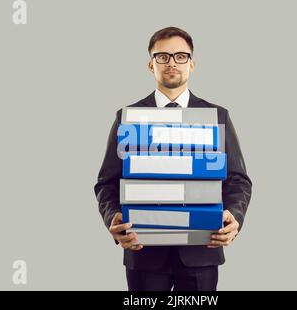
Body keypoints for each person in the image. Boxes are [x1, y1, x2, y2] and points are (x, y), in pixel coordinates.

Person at [94, 26, 252, 291]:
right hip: (143, 253)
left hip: (202, 250)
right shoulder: (128, 117)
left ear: (192, 64)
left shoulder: (217, 116)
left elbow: (238, 180)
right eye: (162, 57)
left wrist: (234, 216)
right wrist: (113, 219)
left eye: (180, 56)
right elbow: (107, 182)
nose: (171, 63)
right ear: (150, 65)